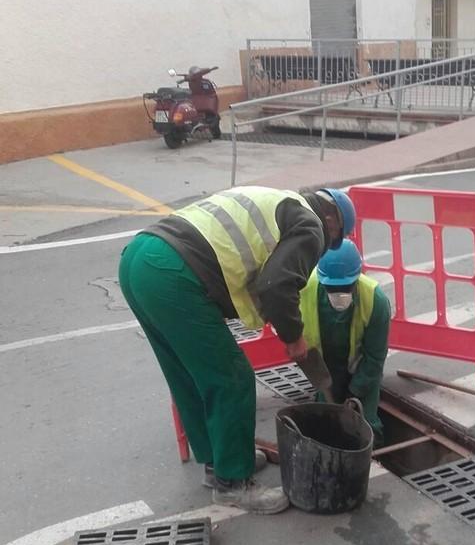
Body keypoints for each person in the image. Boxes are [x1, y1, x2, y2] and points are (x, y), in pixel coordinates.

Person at [118, 186, 356, 513]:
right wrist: (293, 337)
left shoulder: (280, 201)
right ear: (331, 218)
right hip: (171, 272)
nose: (325, 248)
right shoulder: (311, 225)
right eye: (333, 240)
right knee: (232, 378)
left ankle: (220, 463)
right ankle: (233, 483)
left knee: (191, 374)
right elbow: (275, 285)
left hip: (139, 258)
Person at [299, 240, 390, 447]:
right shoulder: (305, 290)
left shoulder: (376, 301)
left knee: (365, 426)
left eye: (345, 287)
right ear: (322, 281)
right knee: (327, 422)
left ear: (357, 278)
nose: (339, 294)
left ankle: (373, 461)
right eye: (332, 288)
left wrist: (355, 391)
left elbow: (375, 357)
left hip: (362, 367)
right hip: (325, 367)